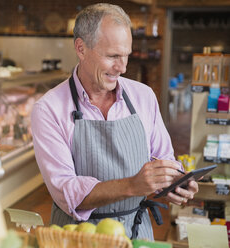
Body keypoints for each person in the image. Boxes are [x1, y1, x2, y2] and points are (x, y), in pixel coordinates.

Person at [31, 3, 198, 240]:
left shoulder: (144, 96)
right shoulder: (49, 109)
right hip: (79, 237)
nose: (123, 67)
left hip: (137, 232)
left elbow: (163, 158)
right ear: (81, 48)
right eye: (112, 56)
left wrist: (175, 180)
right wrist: (133, 185)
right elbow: (66, 191)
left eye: (126, 55)